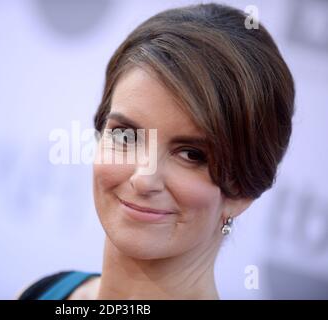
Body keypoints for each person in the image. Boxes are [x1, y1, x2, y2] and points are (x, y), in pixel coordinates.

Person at [20, 2, 295, 300]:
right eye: (125, 136)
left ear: (243, 190)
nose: (143, 178)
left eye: (191, 154)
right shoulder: (41, 293)